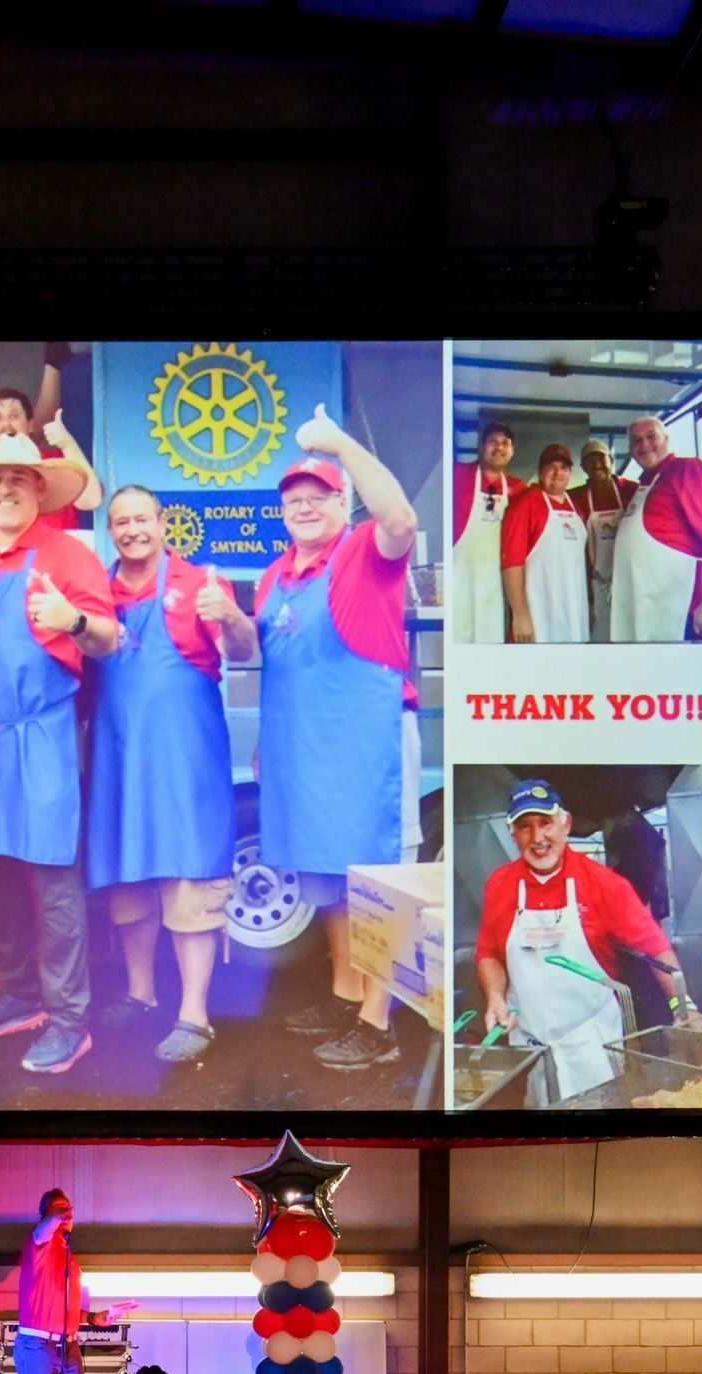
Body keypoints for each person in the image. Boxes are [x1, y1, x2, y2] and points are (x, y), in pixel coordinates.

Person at [0, 434, 117, 1075]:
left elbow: (109, 639)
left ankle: (70, 1018)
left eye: (19, 478)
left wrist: (72, 618)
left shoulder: (67, 555)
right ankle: (18, 994)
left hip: (43, 735)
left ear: (40, 490)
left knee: (52, 880)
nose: (6, 488)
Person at [254, 406, 422, 1072]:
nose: (304, 507)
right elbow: (278, 666)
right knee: (325, 874)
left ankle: (378, 1022)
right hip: (302, 749)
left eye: (318, 496)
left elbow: (402, 519)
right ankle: (345, 992)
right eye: (294, 499)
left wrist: (341, 444)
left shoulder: (365, 551)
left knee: (377, 877)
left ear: (344, 501)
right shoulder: (273, 575)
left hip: (367, 743)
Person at [88, 485, 249, 1063]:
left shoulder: (198, 583)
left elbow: (243, 646)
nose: (132, 530)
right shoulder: (98, 590)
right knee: (129, 877)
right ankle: (140, 993)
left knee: (188, 879)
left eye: (142, 519)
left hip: (186, 761)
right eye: (120, 522)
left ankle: (194, 1015)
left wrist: (229, 615)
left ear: (163, 524)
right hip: (120, 759)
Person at [473, 780, 700, 1104]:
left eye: (545, 823)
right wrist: (495, 996)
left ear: (565, 824)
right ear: (513, 833)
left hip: (592, 1048)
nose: (537, 838)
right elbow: (489, 953)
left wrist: (684, 1006)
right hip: (529, 1047)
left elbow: (656, 950)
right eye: (525, 826)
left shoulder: (605, 885)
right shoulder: (500, 884)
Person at [13, 1188, 134, 1374]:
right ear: (46, 1214)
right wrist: (57, 1216)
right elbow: (42, 1231)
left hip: (68, 1346)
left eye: (69, 1209)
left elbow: (67, 1309)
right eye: (58, 1208)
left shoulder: (71, 1259)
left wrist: (94, 1317)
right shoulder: (40, 1245)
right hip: (37, 1346)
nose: (67, 1213)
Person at [612, 415, 702, 643]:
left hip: (682, 609)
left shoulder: (688, 470)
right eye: (636, 441)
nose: (644, 445)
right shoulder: (644, 484)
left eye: (651, 436)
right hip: (644, 605)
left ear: (666, 438)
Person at [500, 444, 590, 645]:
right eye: (551, 467)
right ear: (541, 471)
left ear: (570, 473)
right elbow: (512, 566)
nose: (558, 473)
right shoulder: (524, 506)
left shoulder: (577, 507)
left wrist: (590, 605)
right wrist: (520, 616)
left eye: (564, 468)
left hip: (575, 613)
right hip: (540, 616)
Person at [0, 386, 101, 533]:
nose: (6, 424)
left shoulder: (56, 461)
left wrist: (67, 443)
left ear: (30, 425)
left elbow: (91, 500)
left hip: (57, 552)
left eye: (14, 416)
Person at [450, 422, 528, 644]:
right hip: (458, 576)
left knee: (489, 637)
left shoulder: (519, 489)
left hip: (495, 581)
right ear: (482, 446)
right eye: (493, 442)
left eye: (505, 444)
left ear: (512, 451)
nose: (499, 448)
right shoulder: (458, 474)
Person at [570, 437, 636, 643]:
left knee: (629, 633)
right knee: (600, 634)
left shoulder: (632, 490)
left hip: (628, 580)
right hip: (596, 583)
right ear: (583, 467)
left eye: (601, 458)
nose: (597, 464)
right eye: (590, 460)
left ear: (611, 460)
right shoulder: (575, 496)